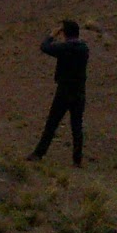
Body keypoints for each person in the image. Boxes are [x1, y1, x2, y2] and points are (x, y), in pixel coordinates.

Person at [28, 18, 88, 166]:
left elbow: (45, 47)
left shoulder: (64, 48)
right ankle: (77, 159)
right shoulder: (84, 49)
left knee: (52, 123)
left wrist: (52, 35)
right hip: (79, 91)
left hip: (64, 90)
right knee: (76, 126)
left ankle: (39, 153)